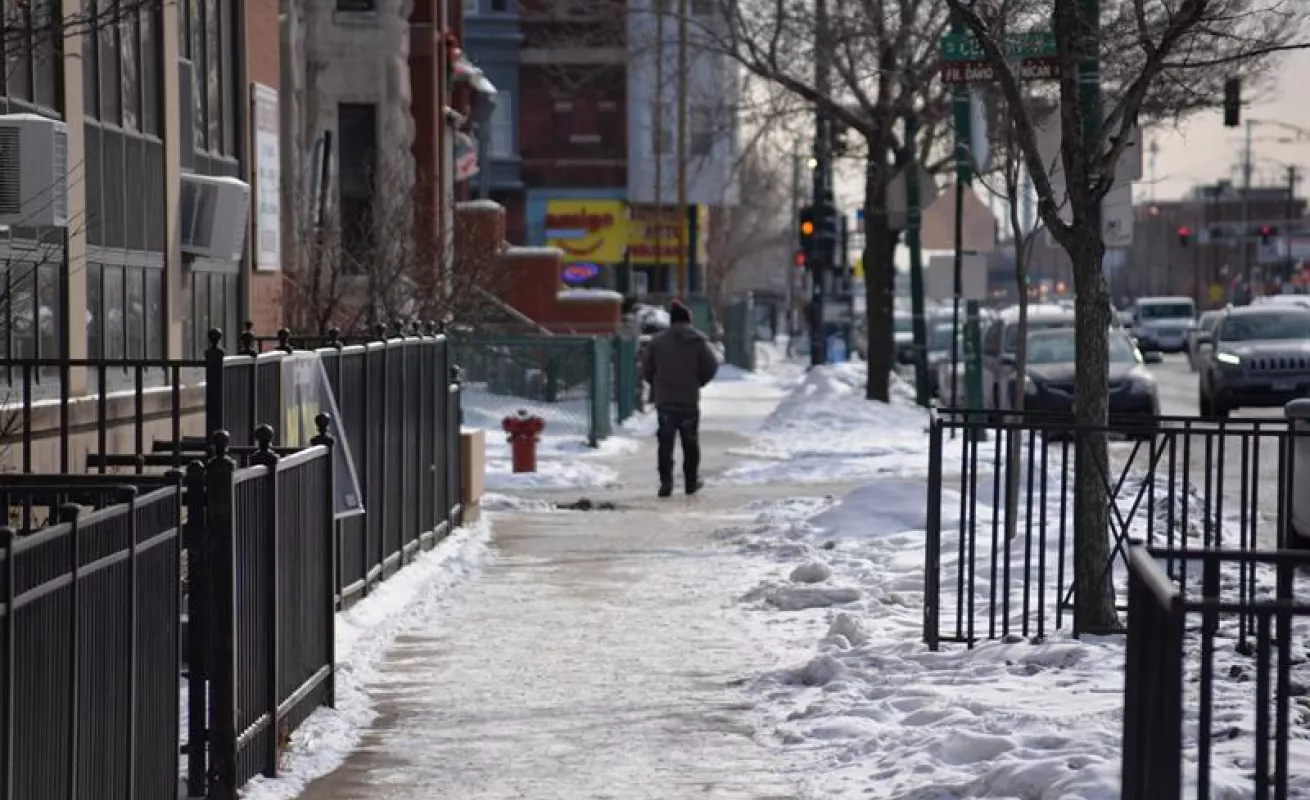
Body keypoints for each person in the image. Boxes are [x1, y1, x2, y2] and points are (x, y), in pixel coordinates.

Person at [642, 300, 719, 497]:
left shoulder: (657, 342)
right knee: (690, 443)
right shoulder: (698, 341)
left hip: (665, 400)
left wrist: (658, 384)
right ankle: (691, 482)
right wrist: (697, 382)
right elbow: (711, 366)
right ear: (689, 320)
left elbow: (646, 369)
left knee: (665, 444)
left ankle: (666, 483)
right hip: (688, 400)